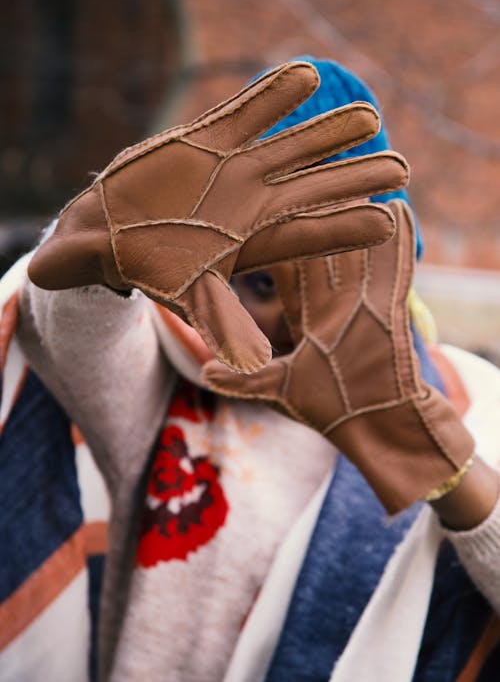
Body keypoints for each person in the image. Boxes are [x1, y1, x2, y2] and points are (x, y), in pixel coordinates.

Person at [0, 58, 499, 682]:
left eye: (330, 278)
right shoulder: (175, 386)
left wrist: (435, 457)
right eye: (261, 281)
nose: (294, 318)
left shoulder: (474, 404)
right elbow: (75, 339)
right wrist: (98, 257)